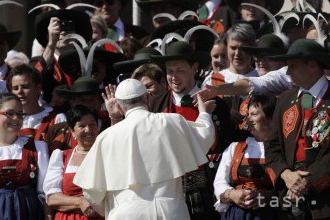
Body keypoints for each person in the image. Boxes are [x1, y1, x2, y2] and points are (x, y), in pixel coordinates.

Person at [73, 78, 216, 220]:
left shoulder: (105, 137)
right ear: (147, 98)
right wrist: (204, 114)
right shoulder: (171, 121)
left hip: (125, 213)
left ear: (119, 106)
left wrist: (108, 210)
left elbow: (91, 192)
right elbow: (205, 136)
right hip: (170, 211)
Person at [151, 41, 232, 220]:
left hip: (206, 191)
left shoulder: (217, 105)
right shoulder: (157, 104)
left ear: (195, 68)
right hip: (168, 191)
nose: (174, 77)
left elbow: (225, 148)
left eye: (180, 70)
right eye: (170, 71)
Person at [265, 39, 330, 219]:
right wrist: (287, 176)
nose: (287, 71)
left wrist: (306, 182)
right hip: (290, 199)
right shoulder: (285, 100)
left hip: (325, 199)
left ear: (312, 65)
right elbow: (272, 147)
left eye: (293, 66)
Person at [214, 94, 277, 219]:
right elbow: (219, 182)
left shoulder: (283, 148)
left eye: (254, 114)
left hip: (271, 213)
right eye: (248, 115)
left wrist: (268, 196)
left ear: (271, 118)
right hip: (237, 214)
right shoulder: (235, 147)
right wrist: (232, 194)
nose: (248, 120)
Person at [43, 105, 104, 219]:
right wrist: (80, 202)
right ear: (73, 132)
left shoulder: (106, 154)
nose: (88, 130)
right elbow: (52, 198)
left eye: (92, 124)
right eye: (82, 126)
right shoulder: (61, 156)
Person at [0, 93, 49, 219]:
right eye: (10, 113)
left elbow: (45, 194)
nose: (16, 118)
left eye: (20, 114)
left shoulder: (37, 147)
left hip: (29, 213)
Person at [30, 8, 92, 103]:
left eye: (68, 27)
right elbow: (35, 77)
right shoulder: (36, 62)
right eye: (59, 28)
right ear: (48, 35)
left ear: (77, 34)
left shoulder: (89, 61)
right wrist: (51, 43)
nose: (63, 32)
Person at [45, 76, 111, 154]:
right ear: (72, 102)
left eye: (92, 100)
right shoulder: (55, 131)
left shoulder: (110, 128)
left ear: (100, 102)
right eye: (82, 100)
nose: (87, 104)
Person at [7, 65, 66, 141]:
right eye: (15, 88)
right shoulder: (6, 121)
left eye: (25, 87)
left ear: (38, 88)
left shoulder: (57, 119)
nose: (19, 91)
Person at [82, 0, 147, 41]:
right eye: (99, 3)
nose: (105, 6)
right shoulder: (87, 37)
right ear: (94, 9)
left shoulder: (139, 34)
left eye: (110, 2)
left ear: (119, 4)